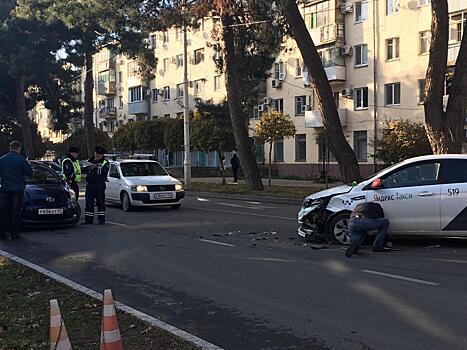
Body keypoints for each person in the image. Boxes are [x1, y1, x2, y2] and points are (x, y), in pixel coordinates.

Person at [0, 141, 33, 240]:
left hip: (5, 188)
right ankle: (15, 234)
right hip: (17, 189)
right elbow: (30, 173)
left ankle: (2, 233)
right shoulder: (21, 159)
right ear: (19, 148)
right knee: (16, 211)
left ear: (10, 148)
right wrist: (28, 164)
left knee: (3, 211)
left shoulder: (2, 159)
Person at [83, 146, 109, 225]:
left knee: (100, 202)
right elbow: (83, 169)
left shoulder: (105, 162)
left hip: (99, 185)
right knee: (89, 202)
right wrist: (88, 168)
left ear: (102, 155)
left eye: (99, 155)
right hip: (90, 184)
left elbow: (103, 172)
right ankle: (88, 220)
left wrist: (95, 167)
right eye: (96, 155)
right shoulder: (89, 160)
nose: (97, 157)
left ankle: (101, 220)